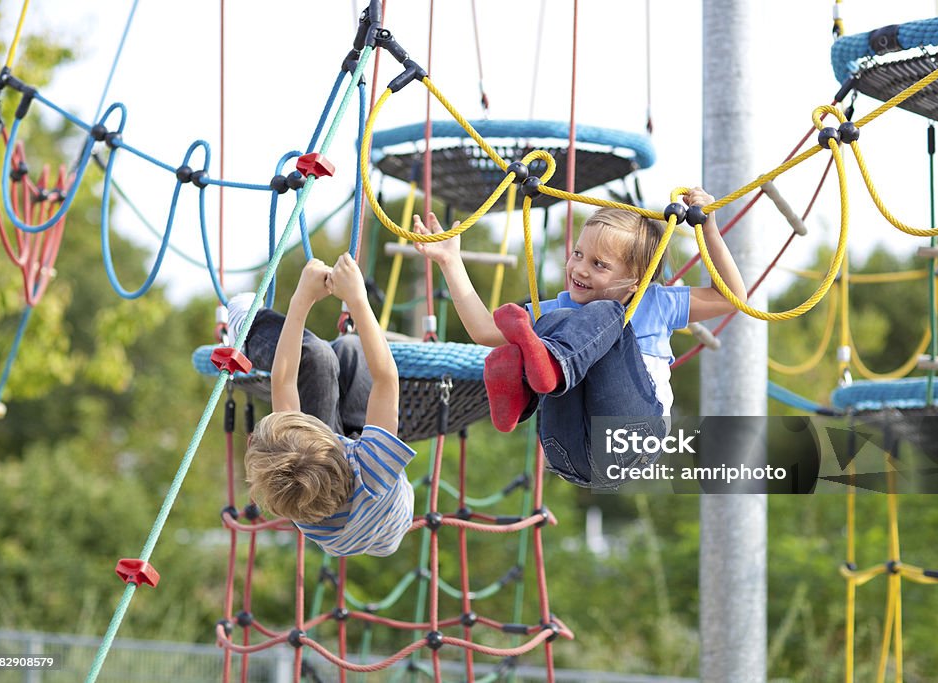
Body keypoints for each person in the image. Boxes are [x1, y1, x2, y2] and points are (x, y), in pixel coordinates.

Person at [412, 188, 748, 488]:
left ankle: (541, 373)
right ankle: (527, 386)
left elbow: (732, 295)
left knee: (605, 314)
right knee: (553, 320)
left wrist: (709, 230)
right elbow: (485, 330)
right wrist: (450, 261)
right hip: (567, 453)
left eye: (599, 264)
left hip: (631, 440)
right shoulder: (561, 308)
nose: (580, 269)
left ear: (635, 282)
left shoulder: (655, 302)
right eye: (577, 254)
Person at [230, 254, 416, 556]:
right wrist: (356, 298)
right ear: (332, 442)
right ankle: (252, 330)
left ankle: (248, 330)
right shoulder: (373, 471)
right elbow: (386, 378)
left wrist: (302, 300)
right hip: (387, 518)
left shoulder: (293, 495)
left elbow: (283, 382)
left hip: (339, 513)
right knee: (347, 351)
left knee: (326, 356)